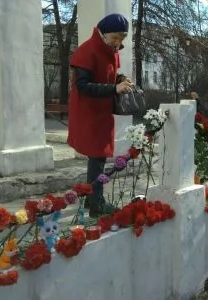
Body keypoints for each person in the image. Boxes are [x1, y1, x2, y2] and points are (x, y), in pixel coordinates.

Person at [67, 13, 133, 217]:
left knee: (99, 158)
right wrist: (114, 89)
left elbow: (110, 74)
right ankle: (96, 204)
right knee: (97, 158)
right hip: (89, 114)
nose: (118, 43)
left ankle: (92, 200)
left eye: (122, 38)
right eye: (115, 37)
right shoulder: (86, 52)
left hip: (103, 114)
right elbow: (83, 86)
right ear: (103, 33)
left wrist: (121, 79)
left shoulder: (112, 50)